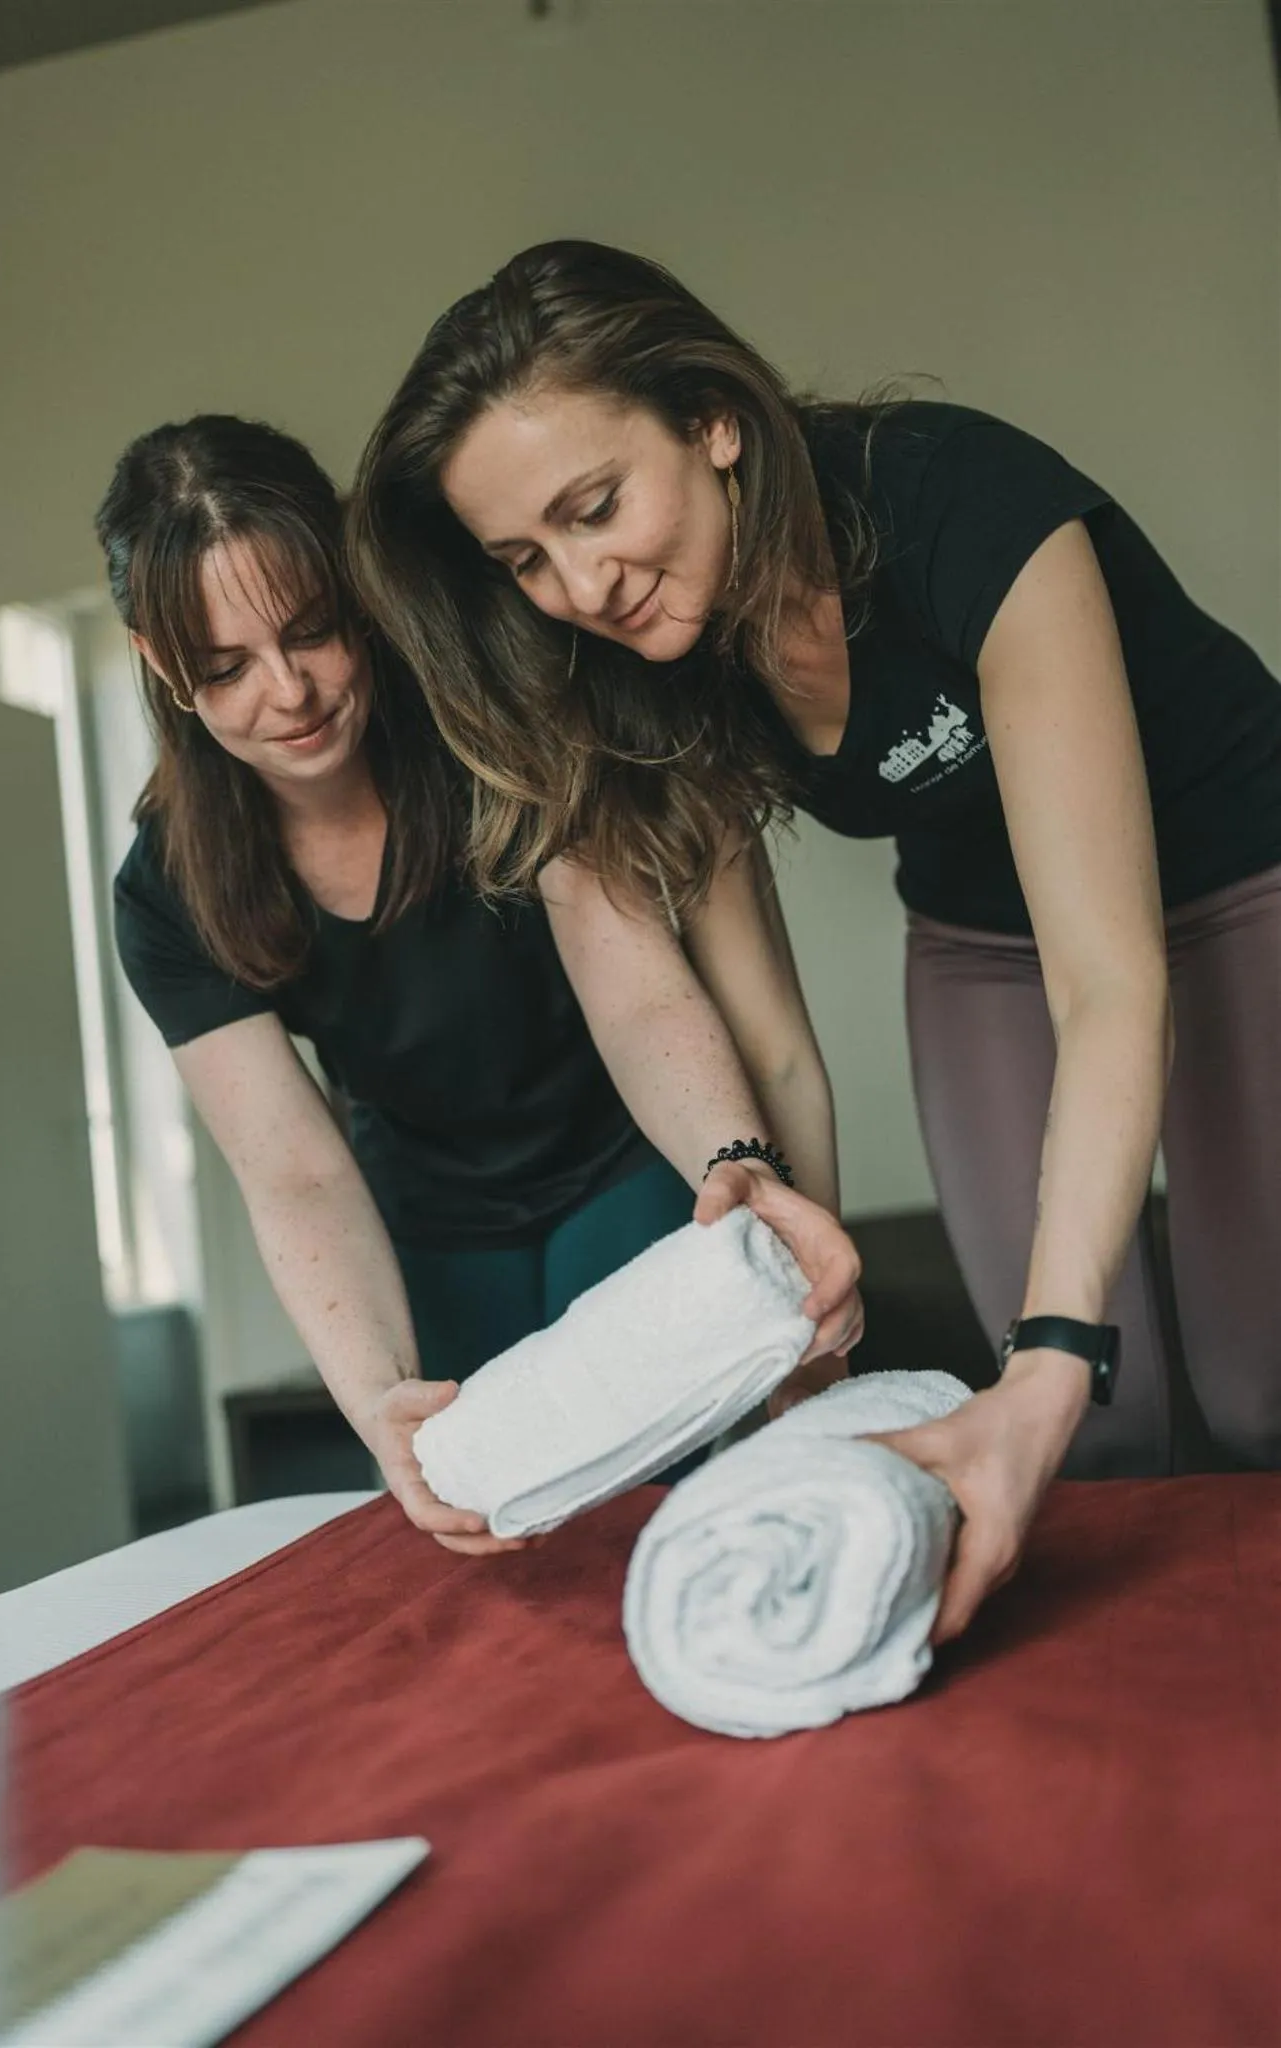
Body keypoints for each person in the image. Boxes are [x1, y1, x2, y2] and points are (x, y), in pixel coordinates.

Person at [349, 240, 1281, 1634]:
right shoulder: (659, 672)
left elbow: (1110, 982)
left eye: (595, 507)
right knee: (1096, 1421)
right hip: (979, 933)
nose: (581, 585)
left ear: (713, 421)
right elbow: (772, 1051)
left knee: (1247, 1379)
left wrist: (1048, 1352)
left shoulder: (959, 502)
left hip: (1232, 880)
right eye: (524, 558)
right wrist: (803, 1333)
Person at [98, 414, 863, 1555]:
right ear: (164, 663)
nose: (291, 691)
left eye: (313, 633)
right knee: (502, 1536)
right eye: (227, 668)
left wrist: (732, 1161)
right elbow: (296, 1170)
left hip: (624, 1162)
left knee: (682, 1511)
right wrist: (372, 1397)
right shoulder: (168, 887)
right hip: (431, 1221)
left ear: (354, 589)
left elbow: (638, 994)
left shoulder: (479, 719)